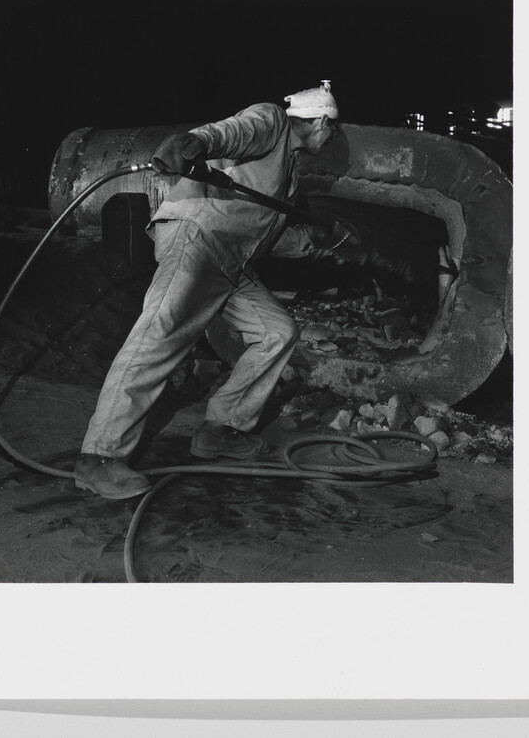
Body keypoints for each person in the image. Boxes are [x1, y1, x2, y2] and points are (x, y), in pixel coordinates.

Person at [74, 81, 345, 499]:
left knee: (277, 333)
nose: (331, 140)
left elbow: (267, 236)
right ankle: (99, 457)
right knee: (160, 333)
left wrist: (327, 247)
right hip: (198, 237)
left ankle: (221, 430)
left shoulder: (289, 175)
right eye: (333, 131)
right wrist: (194, 141)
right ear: (321, 122)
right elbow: (232, 130)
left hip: (231, 260)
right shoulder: (271, 121)